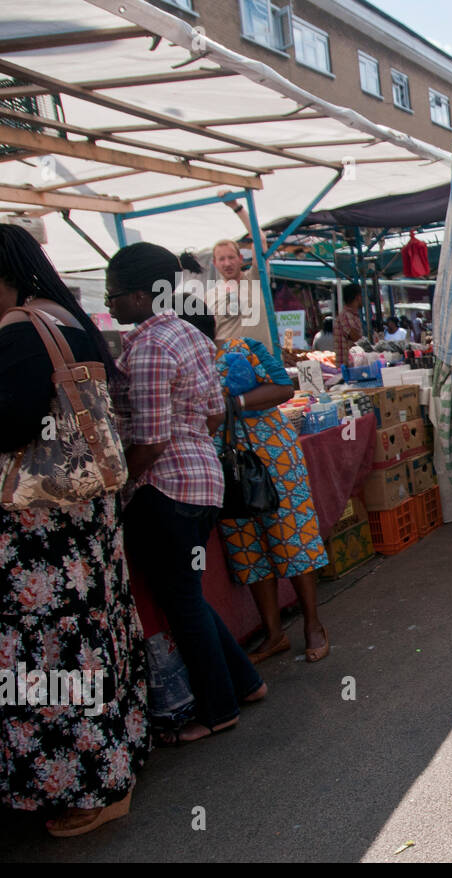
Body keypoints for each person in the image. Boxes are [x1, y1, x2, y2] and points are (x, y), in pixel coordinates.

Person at [0, 224, 150, 837]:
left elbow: (10, 424)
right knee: (98, 630)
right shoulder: (65, 317)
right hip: (85, 512)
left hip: (40, 523)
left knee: (50, 654)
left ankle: (87, 788)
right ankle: (120, 757)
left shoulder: (18, 329)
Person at [107, 243, 266, 746]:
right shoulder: (189, 334)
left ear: (138, 295)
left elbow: (151, 441)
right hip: (200, 484)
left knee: (182, 602)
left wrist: (118, 487)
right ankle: (246, 682)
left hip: (166, 487)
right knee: (189, 596)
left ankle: (218, 711)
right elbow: (216, 412)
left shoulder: (150, 346)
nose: (109, 306)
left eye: (113, 296)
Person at [186, 319, 332, 664]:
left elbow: (283, 389)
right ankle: (274, 633)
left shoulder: (243, 348)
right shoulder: (181, 365)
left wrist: (232, 403)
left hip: (271, 455)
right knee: (245, 543)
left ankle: (313, 625)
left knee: (290, 535)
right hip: (222, 462)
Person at [205, 197, 276, 354]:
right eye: (222, 259)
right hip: (229, 369)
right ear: (215, 263)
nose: (227, 263)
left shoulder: (256, 278)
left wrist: (236, 207)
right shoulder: (209, 296)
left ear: (240, 259)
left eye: (231, 257)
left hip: (262, 365)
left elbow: (260, 240)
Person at [335, 284, 364, 363]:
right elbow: (356, 338)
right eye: (362, 295)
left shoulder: (352, 315)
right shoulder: (346, 315)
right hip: (347, 365)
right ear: (357, 297)